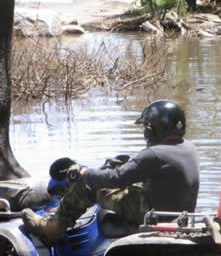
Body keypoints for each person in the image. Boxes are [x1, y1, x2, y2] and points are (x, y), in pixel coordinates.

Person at [22, 99, 200, 245]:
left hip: (150, 212)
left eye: (147, 126)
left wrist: (85, 172)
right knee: (132, 185)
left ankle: (53, 228)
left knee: (89, 185)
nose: (145, 131)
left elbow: (115, 178)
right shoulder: (188, 148)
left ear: (154, 128)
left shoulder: (154, 154)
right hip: (177, 213)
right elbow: (143, 172)